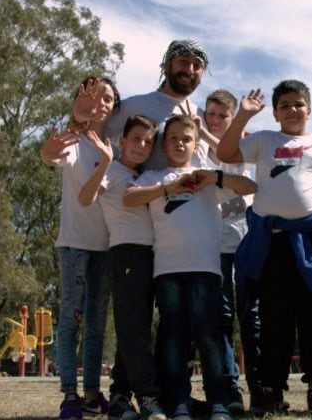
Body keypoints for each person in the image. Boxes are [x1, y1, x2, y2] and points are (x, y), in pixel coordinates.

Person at [217, 81, 312, 416]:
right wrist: (242, 116)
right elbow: (225, 154)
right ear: (275, 111)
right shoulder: (265, 140)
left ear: (309, 110)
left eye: (299, 104)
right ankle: (270, 391)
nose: (293, 111)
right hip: (273, 242)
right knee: (273, 318)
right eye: (285, 105)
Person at [122, 115, 257, 420]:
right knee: (173, 337)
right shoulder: (154, 177)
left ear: (196, 144)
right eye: (173, 139)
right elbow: (128, 198)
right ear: (164, 144)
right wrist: (168, 187)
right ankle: (179, 402)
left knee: (209, 335)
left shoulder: (207, 177)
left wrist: (215, 177)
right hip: (167, 271)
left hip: (206, 270)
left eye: (186, 138)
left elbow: (250, 185)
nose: (180, 144)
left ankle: (219, 402)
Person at [39, 77, 120, 420]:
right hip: (74, 244)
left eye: (109, 98)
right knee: (71, 320)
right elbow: (49, 155)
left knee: (96, 324)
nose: (102, 103)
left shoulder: (117, 143)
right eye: (95, 97)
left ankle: (91, 393)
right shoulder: (74, 139)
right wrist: (71, 122)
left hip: (107, 247)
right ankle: (69, 394)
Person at [77, 114, 167, 420]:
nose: (141, 146)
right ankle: (148, 397)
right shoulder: (113, 171)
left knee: (138, 330)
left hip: (155, 256)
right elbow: (86, 198)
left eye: (148, 141)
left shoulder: (148, 175)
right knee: (134, 332)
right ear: (122, 141)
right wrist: (104, 162)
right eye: (136, 139)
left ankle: (118, 397)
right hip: (126, 254)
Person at [203, 89, 261, 414]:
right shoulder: (197, 150)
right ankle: (231, 388)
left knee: (251, 317)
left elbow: (251, 193)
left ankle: (260, 387)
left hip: (246, 244)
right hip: (214, 249)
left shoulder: (243, 149)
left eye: (222, 115)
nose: (215, 120)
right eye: (210, 114)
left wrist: (225, 206)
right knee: (222, 318)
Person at [105, 39, 216, 170]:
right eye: (183, 61)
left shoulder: (203, 116)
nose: (190, 70)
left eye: (197, 65)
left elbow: (223, 157)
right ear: (167, 66)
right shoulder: (136, 105)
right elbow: (98, 136)